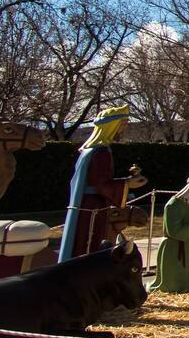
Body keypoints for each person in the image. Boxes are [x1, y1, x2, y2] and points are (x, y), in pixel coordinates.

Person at [58, 106, 146, 260]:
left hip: (86, 205)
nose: (123, 129)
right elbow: (101, 184)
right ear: (113, 126)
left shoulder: (90, 150)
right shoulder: (101, 152)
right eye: (123, 124)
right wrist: (127, 184)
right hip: (93, 207)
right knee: (90, 243)